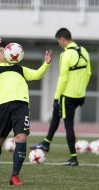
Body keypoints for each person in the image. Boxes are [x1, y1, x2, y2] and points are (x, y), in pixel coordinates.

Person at [0, 38, 52, 186]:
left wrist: (46, 64)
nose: (3, 52)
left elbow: (36, 75)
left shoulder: (20, 69)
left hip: (21, 107)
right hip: (2, 108)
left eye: (4, 50)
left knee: (21, 138)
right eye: (1, 51)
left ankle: (15, 175)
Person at [30, 28, 91, 166]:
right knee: (56, 115)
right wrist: (81, 90)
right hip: (79, 95)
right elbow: (88, 73)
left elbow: (63, 77)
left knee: (68, 125)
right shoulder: (84, 51)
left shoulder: (67, 54)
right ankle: (46, 143)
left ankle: (73, 158)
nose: (59, 44)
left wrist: (56, 98)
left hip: (67, 95)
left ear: (63, 39)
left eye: (59, 41)